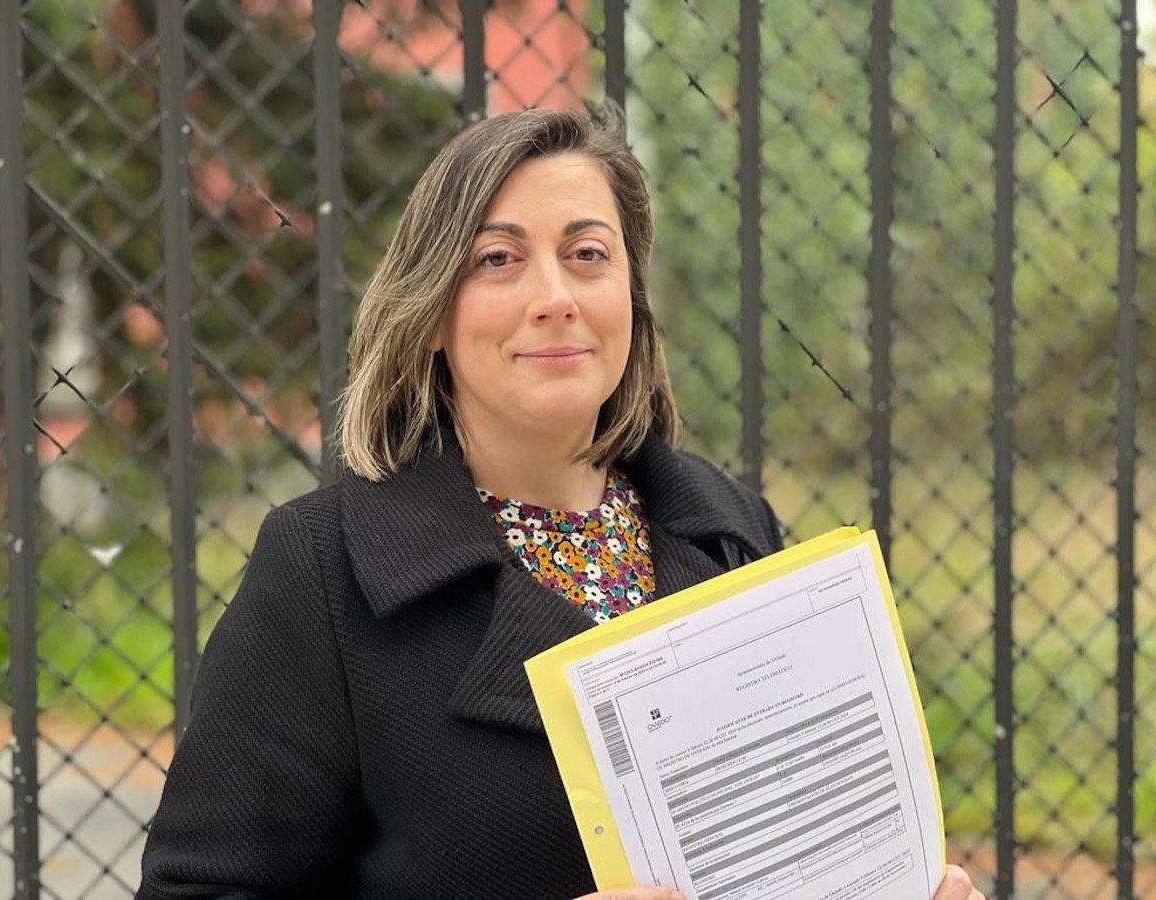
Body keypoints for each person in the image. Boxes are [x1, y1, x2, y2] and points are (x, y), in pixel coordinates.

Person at [137, 107, 982, 900]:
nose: (555, 297)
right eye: (497, 259)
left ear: (630, 298)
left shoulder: (733, 531)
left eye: (587, 254)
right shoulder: (324, 571)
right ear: (430, 311)